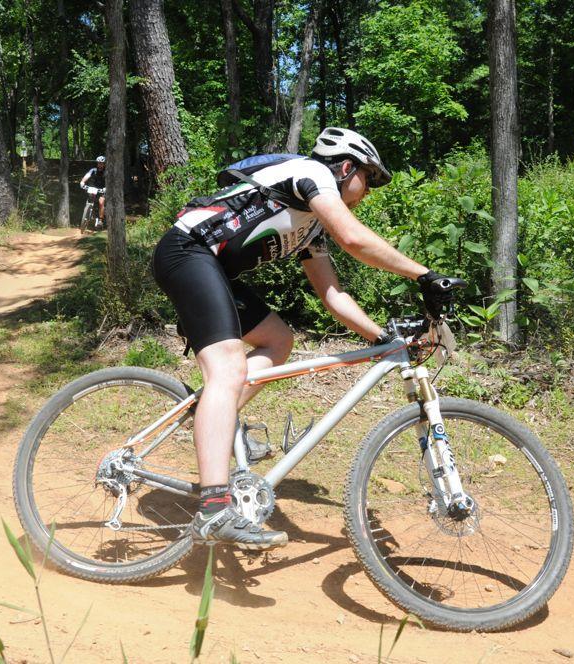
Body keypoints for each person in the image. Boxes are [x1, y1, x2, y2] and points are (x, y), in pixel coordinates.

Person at [151, 127, 460, 550]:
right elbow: (353, 238)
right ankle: (213, 508)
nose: (367, 191)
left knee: (278, 341)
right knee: (227, 368)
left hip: (211, 269)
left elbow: (333, 295)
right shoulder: (309, 173)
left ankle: (213, 417)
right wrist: (423, 274)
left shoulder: (311, 227)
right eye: (368, 179)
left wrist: (382, 339)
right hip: (186, 252)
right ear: (346, 166)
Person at [80, 155, 107, 227]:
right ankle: (89, 211)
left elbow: (110, 181)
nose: (100, 165)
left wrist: (106, 188)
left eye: (101, 163)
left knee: (101, 202)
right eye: (99, 163)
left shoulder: (107, 172)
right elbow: (87, 176)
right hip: (94, 188)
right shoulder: (93, 170)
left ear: (104, 164)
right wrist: (82, 182)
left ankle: (101, 220)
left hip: (103, 189)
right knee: (91, 198)